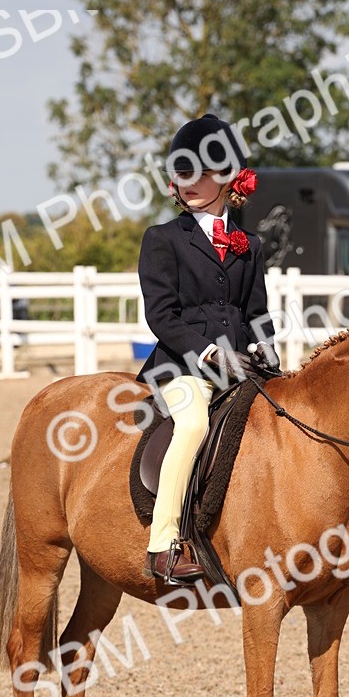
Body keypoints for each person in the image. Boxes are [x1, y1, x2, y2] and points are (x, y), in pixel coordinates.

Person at [136, 113, 280, 585]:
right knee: (195, 423)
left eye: (201, 172)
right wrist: (212, 353)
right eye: (182, 172)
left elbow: (255, 309)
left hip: (241, 365)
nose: (190, 182)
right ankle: (163, 546)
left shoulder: (250, 244)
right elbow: (161, 317)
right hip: (181, 367)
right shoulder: (162, 240)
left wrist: (266, 345)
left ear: (228, 179)